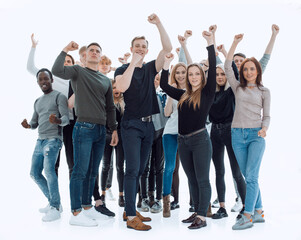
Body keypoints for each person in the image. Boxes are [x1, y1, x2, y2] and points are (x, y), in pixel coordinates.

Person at [114, 13, 172, 231]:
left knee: (139, 171)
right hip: (131, 125)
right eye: (136, 46)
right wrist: (132, 64)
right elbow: (121, 87)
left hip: (149, 126)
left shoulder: (150, 68)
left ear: (147, 50)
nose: (140, 48)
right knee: (132, 170)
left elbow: (167, 49)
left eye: (143, 46)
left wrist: (158, 24)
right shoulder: (122, 70)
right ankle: (130, 216)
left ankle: (129, 208)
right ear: (132, 49)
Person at [52, 41, 118, 227]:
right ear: (86, 55)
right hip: (83, 128)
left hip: (100, 129)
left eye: (98, 51)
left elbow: (110, 107)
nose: (95, 53)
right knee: (79, 171)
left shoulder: (105, 80)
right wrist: (65, 49)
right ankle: (76, 212)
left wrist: (113, 129)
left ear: (100, 55)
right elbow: (56, 70)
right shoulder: (77, 72)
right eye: (91, 51)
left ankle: (87, 208)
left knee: (91, 172)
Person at [160, 30, 216, 229]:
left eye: (195, 74)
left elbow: (212, 63)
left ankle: (202, 215)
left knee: (202, 179)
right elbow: (165, 85)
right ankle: (195, 211)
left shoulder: (208, 92)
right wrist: (167, 64)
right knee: (191, 178)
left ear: (202, 76)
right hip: (183, 141)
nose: (192, 77)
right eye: (189, 74)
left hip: (200, 140)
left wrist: (210, 43)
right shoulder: (182, 94)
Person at [225, 34, 271, 230]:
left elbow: (267, 116)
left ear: (257, 71)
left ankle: (248, 215)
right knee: (247, 175)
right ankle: (259, 210)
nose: (249, 71)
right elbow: (227, 67)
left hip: (255, 136)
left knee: (251, 177)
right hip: (237, 135)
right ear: (242, 72)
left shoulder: (264, 91)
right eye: (246, 69)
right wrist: (234, 43)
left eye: (252, 68)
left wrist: (264, 128)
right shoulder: (238, 88)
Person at [21, 68, 69, 222]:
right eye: (40, 79)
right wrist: (28, 125)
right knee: (34, 173)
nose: (43, 82)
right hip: (40, 140)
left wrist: (58, 121)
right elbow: (35, 123)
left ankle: (55, 207)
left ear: (51, 80)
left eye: (46, 78)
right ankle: (54, 202)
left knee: (49, 171)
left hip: (53, 139)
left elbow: (66, 119)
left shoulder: (59, 97)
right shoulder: (37, 101)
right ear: (38, 82)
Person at [27, 33, 76, 179]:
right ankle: (54, 199)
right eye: (64, 61)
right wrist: (33, 47)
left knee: (72, 162)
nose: (66, 63)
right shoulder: (50, 77)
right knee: (52, 165)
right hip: (52, 126)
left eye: (70, 62)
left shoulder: (75, 81)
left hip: (71, 123)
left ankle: (76, 199)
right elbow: (30, 67)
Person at [161, 30, 190, 218]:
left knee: (191, 168)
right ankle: (166, 202)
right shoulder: (170, 91)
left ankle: (196, 202)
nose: (180, 75)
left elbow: (193, 63)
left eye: (183, 72)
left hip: (189, 134)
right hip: (170, 132)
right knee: (170, 167)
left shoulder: (193, 90)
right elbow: (166, 113)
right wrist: (171, 95)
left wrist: (185, 46)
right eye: (177, 72)